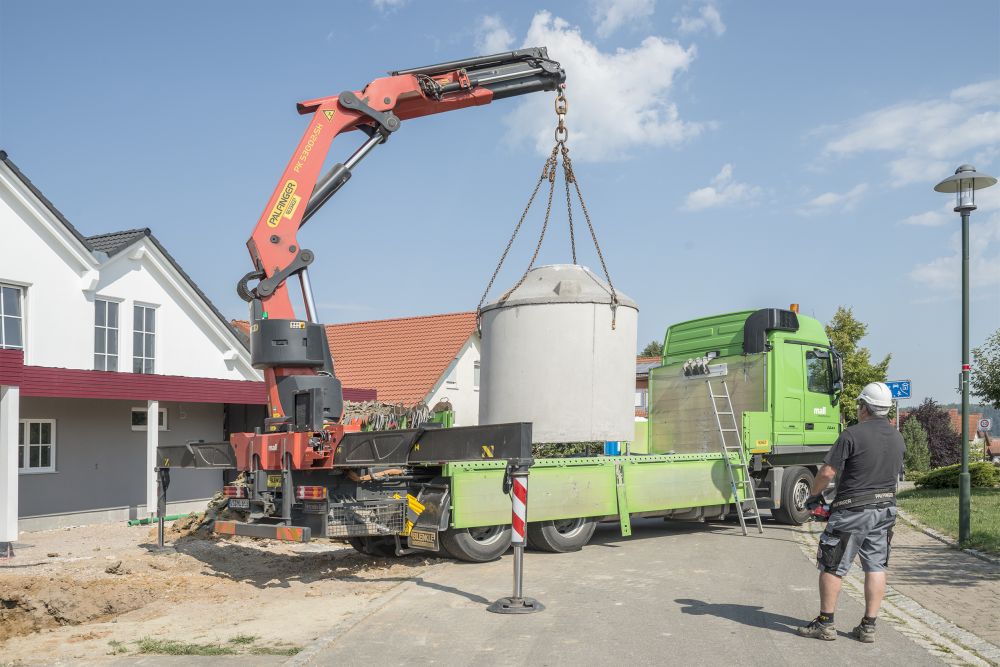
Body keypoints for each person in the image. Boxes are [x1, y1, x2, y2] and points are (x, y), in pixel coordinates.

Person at [796, 381, 905, 643]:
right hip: (885, 508)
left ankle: (825, 624)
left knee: (833, 564)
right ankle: (868, 626)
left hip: (853, 510)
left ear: (865, 407)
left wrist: (814, 495)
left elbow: (826, 472)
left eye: (859, 404)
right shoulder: (897, 436)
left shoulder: (851, 434)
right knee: (876, 565)